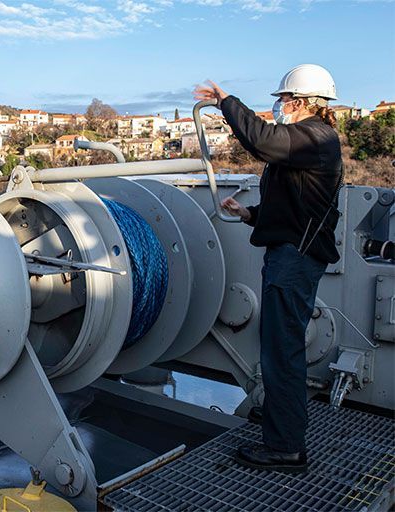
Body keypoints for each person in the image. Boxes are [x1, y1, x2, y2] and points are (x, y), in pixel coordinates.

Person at [194, 64, 342, 473]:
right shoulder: (311, 141)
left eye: (281, 100)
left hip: (294, 260)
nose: (277, 107)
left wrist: (226, 102)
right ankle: (281, 421)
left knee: (283, 352)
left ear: (298, 101)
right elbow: (296, 206)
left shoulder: (313, 137)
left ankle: (285, 447)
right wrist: (248, 214)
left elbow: (262, 140)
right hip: (292, 253)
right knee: (280, 347)